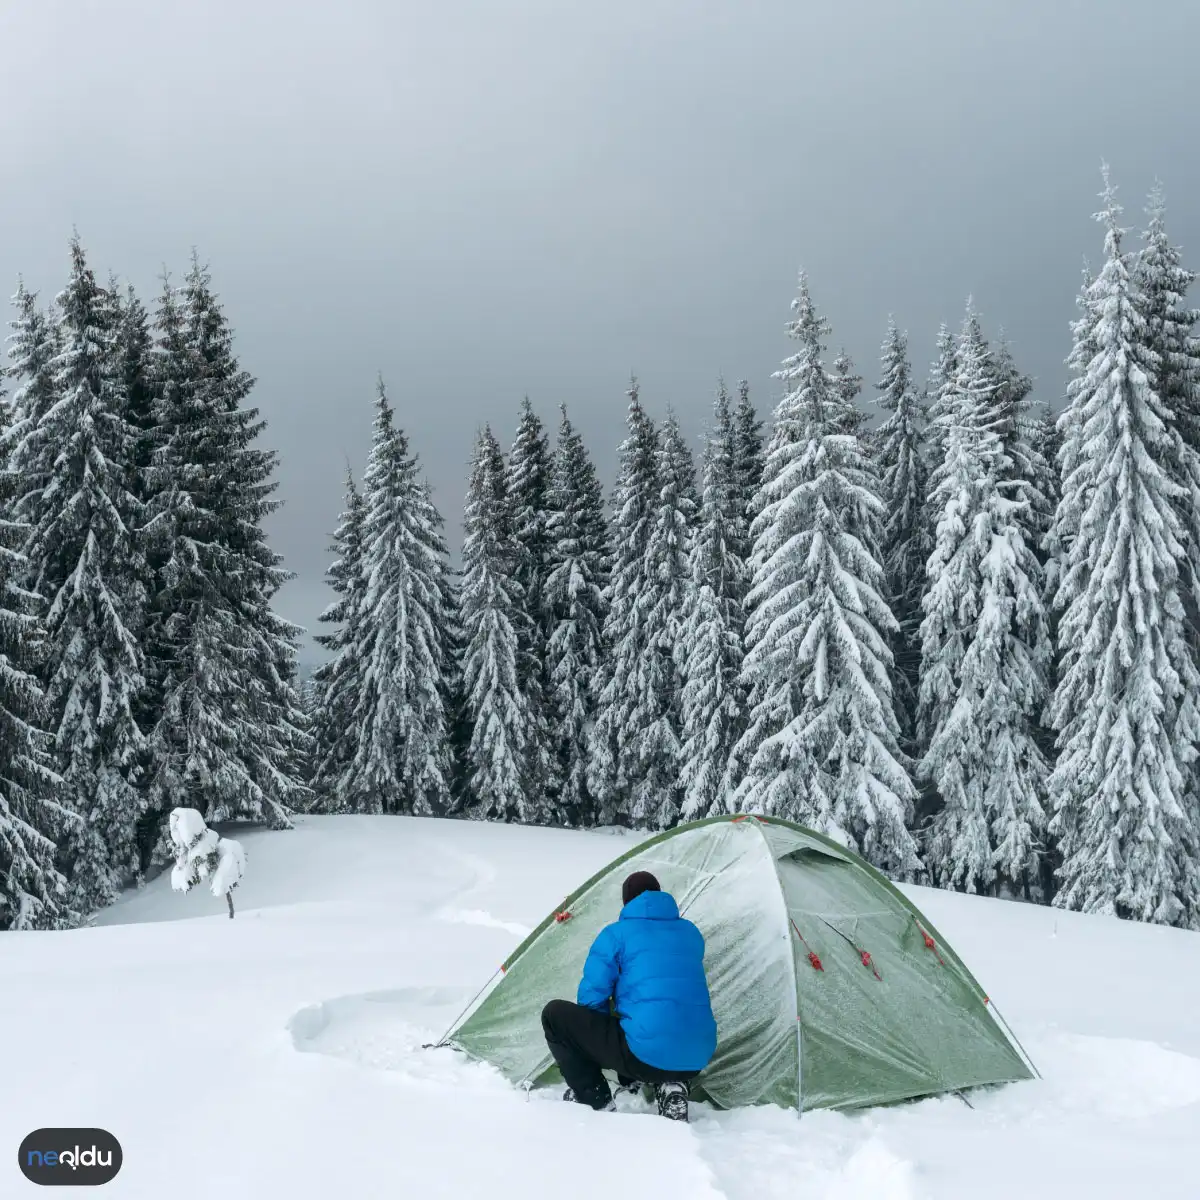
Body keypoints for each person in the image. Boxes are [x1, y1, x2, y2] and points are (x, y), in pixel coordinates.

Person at [540, 870, 717, 1121]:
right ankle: (673, 1085)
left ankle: (595, 1099)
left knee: (554, 1015)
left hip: (644, 1054)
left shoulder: (616, 935)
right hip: (698, 1055)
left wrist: (604, 1047)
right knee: (663, 1018)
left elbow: (591, 1000)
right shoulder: (691, 933)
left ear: (627, 903)